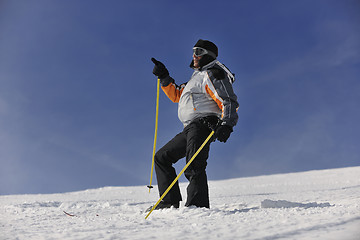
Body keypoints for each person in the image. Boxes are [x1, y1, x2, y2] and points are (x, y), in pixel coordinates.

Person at [148, 39, 238, 211]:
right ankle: (168, 201)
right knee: (161, 157)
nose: (194, 55)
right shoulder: (196, 78)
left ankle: (197, 206)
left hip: (204, 124)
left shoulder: (213, 74)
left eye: (199, 52)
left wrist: (227, 124)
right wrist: (164, 76)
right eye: (193, 51)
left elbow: (229, 100)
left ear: (208, 55)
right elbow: (176, 95)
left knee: (194, 163)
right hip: (190, 127)